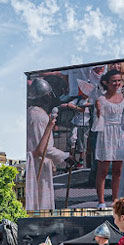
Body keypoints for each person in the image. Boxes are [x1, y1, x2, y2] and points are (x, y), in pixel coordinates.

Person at [25, 77, 73, 211]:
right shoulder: (39, 116)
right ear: (45, 96)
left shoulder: (31, 112)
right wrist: (65, 156)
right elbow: (43, 148)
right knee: (41, 202)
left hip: (37, 162)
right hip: (38, 163)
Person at [94, 69, 124, 209]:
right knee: (103, 169)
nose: (117, 83)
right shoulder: (101, 99)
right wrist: (98, 111)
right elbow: (97, 122)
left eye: (119, 80)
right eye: (114, 81)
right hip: (106, 133)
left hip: (121, 134)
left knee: (118, 170)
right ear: (106, 83)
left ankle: (115, 200)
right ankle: (101, 201)